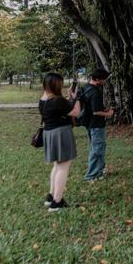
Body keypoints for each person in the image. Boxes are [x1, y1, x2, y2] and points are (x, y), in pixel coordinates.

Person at [40, 72, 82, 212]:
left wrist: (70, 98)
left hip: (49, 133)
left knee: (57, 166)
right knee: (63, 167)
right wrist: (77, 98)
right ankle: (57, 203)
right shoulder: (58, 100)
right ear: (56, 85)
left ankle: (51, 196)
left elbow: (62, 109)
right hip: (61, 134)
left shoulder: (43, 99)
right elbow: (76, 112)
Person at [79, 68, 114, 182]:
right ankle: (91, 175)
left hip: (89, 123)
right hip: (96, 124)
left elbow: (91, 107)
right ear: (98, 79)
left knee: (98, 147)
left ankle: (99, 170)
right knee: (97, 149)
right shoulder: (95, 92)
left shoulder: (85, 88)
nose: (104, 82)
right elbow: (96, 111)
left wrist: (103, 110)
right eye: (104, 79)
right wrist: (108, 113)